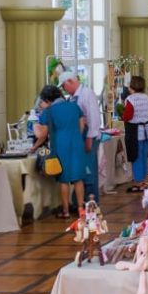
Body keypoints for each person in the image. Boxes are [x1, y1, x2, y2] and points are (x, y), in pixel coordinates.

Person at [33, 84, 85, 219]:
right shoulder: (74, 106)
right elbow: (81, 125)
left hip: (61, 146)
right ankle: (81, 210)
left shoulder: (49, 112)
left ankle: (65, 211)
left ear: (47, 100)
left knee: (64, 180)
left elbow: (42, 134)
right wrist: (75, 137)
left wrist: (35, 126)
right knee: (78, 178)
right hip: (77, 143)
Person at [60, 71, 102, 203]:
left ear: (70, 82)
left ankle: (92, 203)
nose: (64, 89)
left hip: (88, 136)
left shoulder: (87, 94)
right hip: (79, 138)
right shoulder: (72, 98)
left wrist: (89, 138)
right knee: (81, 170)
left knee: (89, 171)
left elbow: (94, 117)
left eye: (64, 86)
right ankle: (80, 201)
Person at [122, 74, 148, 192]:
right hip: (147, 130)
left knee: (137, 157)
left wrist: (122, 115)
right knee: (144, 156)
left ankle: (139, 182)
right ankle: (144, 180)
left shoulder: (131, 99)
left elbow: (128, 116)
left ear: (132, 86)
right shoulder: (146, 98)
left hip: (135, 131)